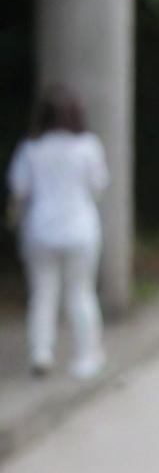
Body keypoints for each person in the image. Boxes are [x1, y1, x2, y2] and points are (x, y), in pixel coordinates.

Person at [5, 85, 109, 379]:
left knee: (42, 294)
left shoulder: (31, 149)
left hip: (41, 230)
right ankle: (86, 357)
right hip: (81, 230)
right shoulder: (88, 146)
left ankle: (41, 352)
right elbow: (98, 186)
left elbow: (19, 192)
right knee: (80, 292)